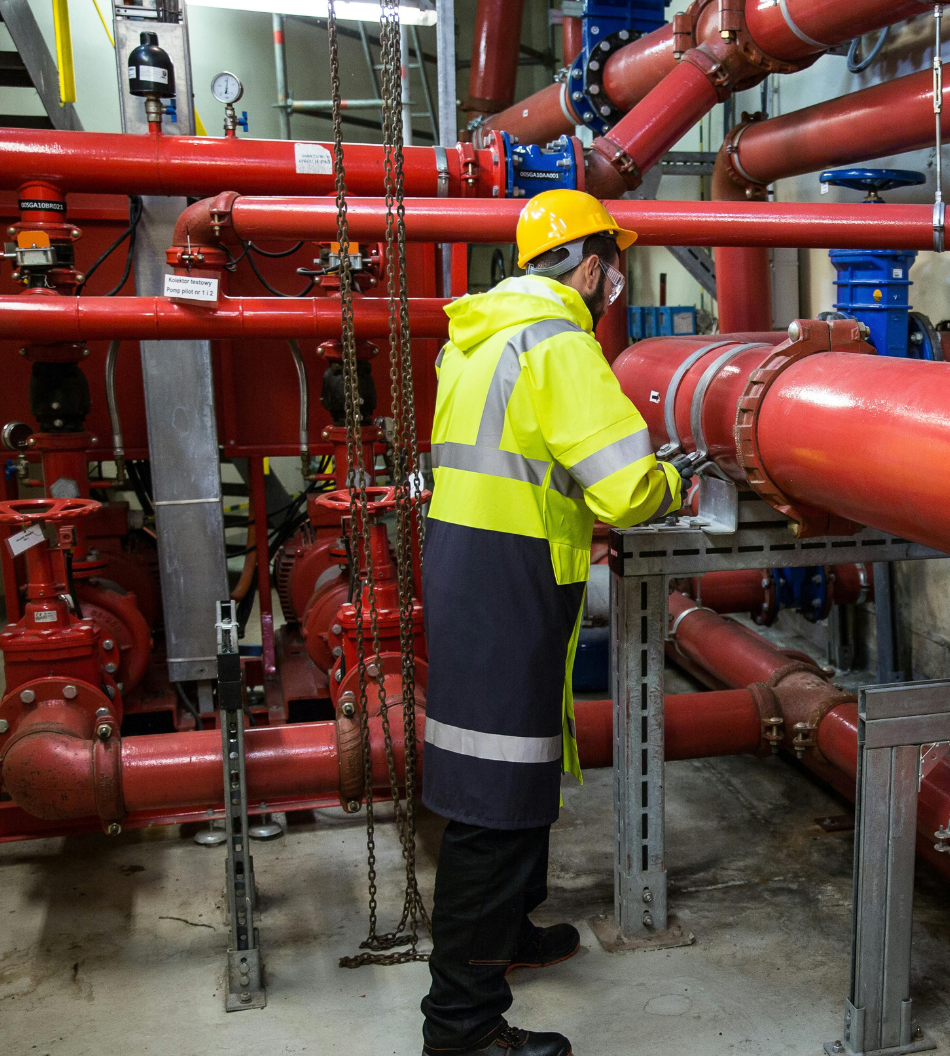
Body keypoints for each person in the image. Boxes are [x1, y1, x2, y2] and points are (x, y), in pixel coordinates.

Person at [419, 189, 683, 1056]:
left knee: (518, 770)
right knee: (490, 802)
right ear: (594, 268)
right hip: (510, 577)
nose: (614, 287)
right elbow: (627, 489)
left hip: (471, 567)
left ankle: (508, 935)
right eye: (617, 270)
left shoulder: (477, 338)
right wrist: (679, 480)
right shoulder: (558, 344)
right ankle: (461, 1027)